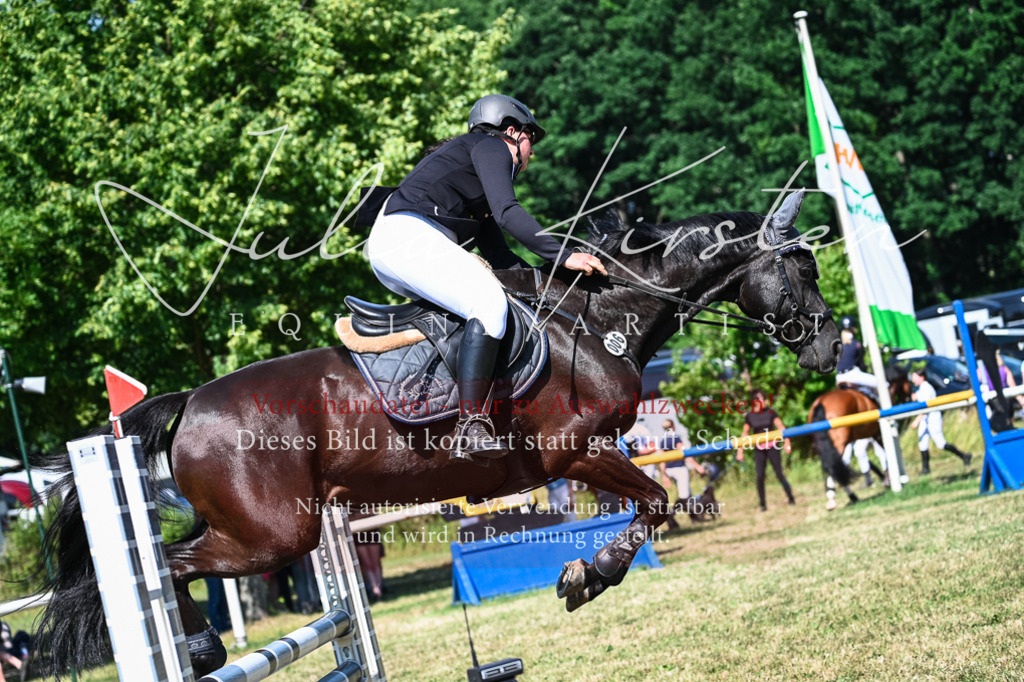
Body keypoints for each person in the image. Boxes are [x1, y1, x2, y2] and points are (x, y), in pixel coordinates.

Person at [364, 94, 606, 462]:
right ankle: (471, 426)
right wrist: (564, 255)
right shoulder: (492, 146)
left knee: (486, 303)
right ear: (512, 131)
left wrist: (553, 283)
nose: (532, 153)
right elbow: (509, 212)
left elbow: (502, 259)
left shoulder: (474, 185)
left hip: (400, 245)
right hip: (408, 239)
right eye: (531, 139)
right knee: (489, 304)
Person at [736, 389, 795, 511]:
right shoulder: (750, 416)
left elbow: (781, 427)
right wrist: (740, 451)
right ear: (755, 401)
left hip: (773, 446)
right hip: (759, 449)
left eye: (765, 399)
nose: (765, 401)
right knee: (760, 476)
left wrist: (787, 442)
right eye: (762, 399)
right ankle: (763, 504)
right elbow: (745, 434)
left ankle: (791, 498)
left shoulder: (771, 412)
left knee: (779, 473)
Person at [909, 368, 972, 474]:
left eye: (915, 377)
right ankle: (926, 469)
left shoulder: (927, 388)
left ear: (922, 377)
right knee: (922, 443)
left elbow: (926, 408)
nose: (913, 380)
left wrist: (917, 420)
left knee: (940, 443)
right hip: (925, 419)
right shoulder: (921, 388)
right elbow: (915, 397)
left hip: (932, 418)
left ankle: (964, 456)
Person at [655, 419, 706, 522]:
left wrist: (664, 475)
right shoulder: (676, 438)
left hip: (669, 470)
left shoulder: (663, 441)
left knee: (688, 494)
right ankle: (671, 516)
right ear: (673, 426)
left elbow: (662, 460)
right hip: (679, 469)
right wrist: (697, 466)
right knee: (684, 497)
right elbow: (685, 455)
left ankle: (695, 518)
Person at [835, 315, 877, 390]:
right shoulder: (857, 344)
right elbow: (861, 364)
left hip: (839, 378)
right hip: (853, 375)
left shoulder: (836, 344)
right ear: (853, 328)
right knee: (884, 383)